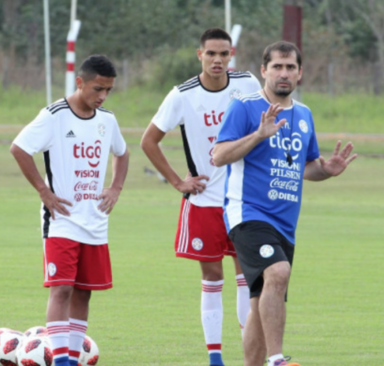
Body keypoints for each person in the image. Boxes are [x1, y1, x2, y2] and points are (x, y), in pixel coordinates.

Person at [213, 41, 357, 366]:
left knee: (260, 302)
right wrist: (258, 135)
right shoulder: (245, 107)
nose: (283, 73)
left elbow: (305, 166)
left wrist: (327, 170)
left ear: (300, 73)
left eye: (290, 67)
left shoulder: (304, 115)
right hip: (247, 213)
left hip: (285, 224)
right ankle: (277, 360)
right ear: (263, 70)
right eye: (277, 66)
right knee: (278, 272)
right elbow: (219, 155)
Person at [140, 28, 260, 366]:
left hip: (241, 200)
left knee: (247, 277)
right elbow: (149, 141)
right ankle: (216, 359)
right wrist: (178, 181)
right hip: (204, 202)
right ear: (200, 55)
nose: (218, 60)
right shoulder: (182, 95)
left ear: (231, 55)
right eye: (211, 54)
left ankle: (251, 354)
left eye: (224, 54)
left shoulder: (248, 85)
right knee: (212, 277)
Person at [10, 55, 129, 366]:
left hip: (95, 222)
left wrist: (115, 188)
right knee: (61, 289)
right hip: (61, 221)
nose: (102, 96)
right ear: (80, 83)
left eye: (108, 90)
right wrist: (43, 191)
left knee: (84, 292)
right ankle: (61, 360)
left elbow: (123, 152)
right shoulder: (54, 116)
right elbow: (19, 148)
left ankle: (73, 359)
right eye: (97, 89)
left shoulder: (108, 120)